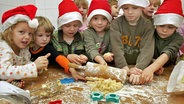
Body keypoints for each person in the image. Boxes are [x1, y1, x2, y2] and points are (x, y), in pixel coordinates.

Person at [0, 5, 50, 88]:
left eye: (30, 33)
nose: (27, 37)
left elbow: (25, 63)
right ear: (9, 32)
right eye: (21, 32)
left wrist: (39, 66)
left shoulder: (23, 49)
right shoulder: (3, 48)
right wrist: (33, 67)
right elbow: (2, 71)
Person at [110, 0, 155, 84]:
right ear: (122, 8)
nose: (130, 12)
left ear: (142, 8)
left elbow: (147, 50)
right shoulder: (116, 24)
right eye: (126, 8)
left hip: (139, 66)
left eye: (134, 8)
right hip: (120, 66)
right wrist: (123, 67)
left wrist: (138, 69)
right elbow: (117, 48)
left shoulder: (147, 25)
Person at [139, 0, 184, 84]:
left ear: (176, 27)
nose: (164, 30)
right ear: (156, 23)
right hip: (148, 66)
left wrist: (151, 68)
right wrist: (154, 64)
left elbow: (167, 53)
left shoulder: (178, 38)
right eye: (161, 25)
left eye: (170, 27)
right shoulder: (151, 32)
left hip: (168, 70)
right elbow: (143, 51)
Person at [30, 16, 85, 80]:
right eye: (40, 35)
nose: (44, 39)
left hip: (49, 75)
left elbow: (60, 58)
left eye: (47, 35)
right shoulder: (27, 48)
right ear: (31, 35)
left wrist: (72, 71)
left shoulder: (48, 48)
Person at [51, 0, 88, 80]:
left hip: (78, 72)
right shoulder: (54, 37)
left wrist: (84, 57)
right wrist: (67, 57)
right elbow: (52, 56)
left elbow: (87, 52)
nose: (72, 29)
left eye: (75, 26)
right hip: (58, 72)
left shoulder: (82, 37)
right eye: (67, 26)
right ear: (61, 25)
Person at [83, 0, 114, 65]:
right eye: (95, 18)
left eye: (104, 19)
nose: (99, 23)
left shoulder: (110, 32)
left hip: (108, 65)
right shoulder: (88, 32)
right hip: (91, 64)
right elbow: (91, 49)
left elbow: (114, 48)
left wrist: (110, 54)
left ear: (108, 21)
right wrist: (101, 61)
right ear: (90, 20)